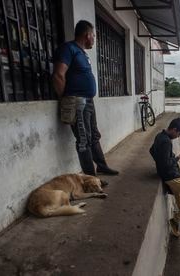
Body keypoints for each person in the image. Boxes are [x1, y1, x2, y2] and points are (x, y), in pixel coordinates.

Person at [52, 20, 118, 176]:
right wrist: (66, 100)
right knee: (84, 140)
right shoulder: (69, 49)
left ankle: (101, 166)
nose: (94, 39)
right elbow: (58, 75)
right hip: (77, 101)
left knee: (94, 135)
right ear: (87, 35)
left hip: (88, 101)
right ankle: (91, 178)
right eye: (93, 36)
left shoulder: (83, 53)